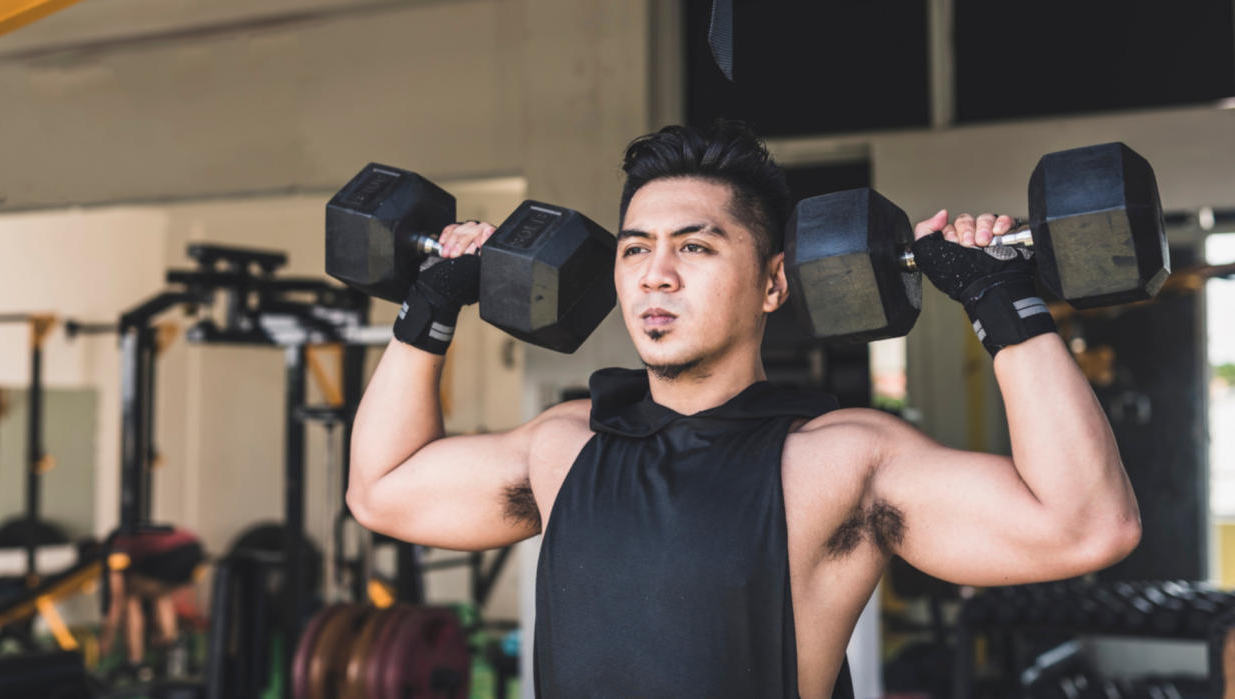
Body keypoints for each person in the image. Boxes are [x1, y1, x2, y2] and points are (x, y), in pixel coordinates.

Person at [346, 122, 1141, 698]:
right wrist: (432, 303)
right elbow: (380, 488)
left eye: (695, 246)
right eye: (635, 248)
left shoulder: (837, 461)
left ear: (773, 283)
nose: (655, 275)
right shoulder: (563, 446)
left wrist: (1003, 301)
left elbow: (1086, 523)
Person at [99, 526, 204, 677]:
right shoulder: (131, 539)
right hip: (193, 547)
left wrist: (106, 637)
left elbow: (116, 598)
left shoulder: (113, 547)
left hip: (171, 551)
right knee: (161, 594)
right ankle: (172, 658)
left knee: (130, 596)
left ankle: (135, 662)